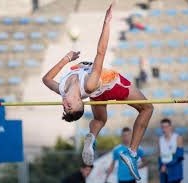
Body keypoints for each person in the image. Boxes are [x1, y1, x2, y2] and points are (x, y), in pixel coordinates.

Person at [42, 2, 153, 180]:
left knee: (100, 119)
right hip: (111, 84)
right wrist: (106, 23)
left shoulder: (62, 90)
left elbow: (46, 79)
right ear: (79, 102)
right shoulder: (89, 84)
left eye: (65, 108)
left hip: (98, 93)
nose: (65, 105)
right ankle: (132, 153)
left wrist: (67, 58)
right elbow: (101, 53)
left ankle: (92, 136)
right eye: (70, 107)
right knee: (147, 108)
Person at [158, 119, 184, 183]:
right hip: (164, 172)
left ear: (170, 127)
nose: (164, 129)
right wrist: (161, 166)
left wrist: (166, 165)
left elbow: (179, 157)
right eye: (162, 127)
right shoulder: (160, 139)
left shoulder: (178, 138)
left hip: (175, 172)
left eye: (166, 127)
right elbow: (160, 156)